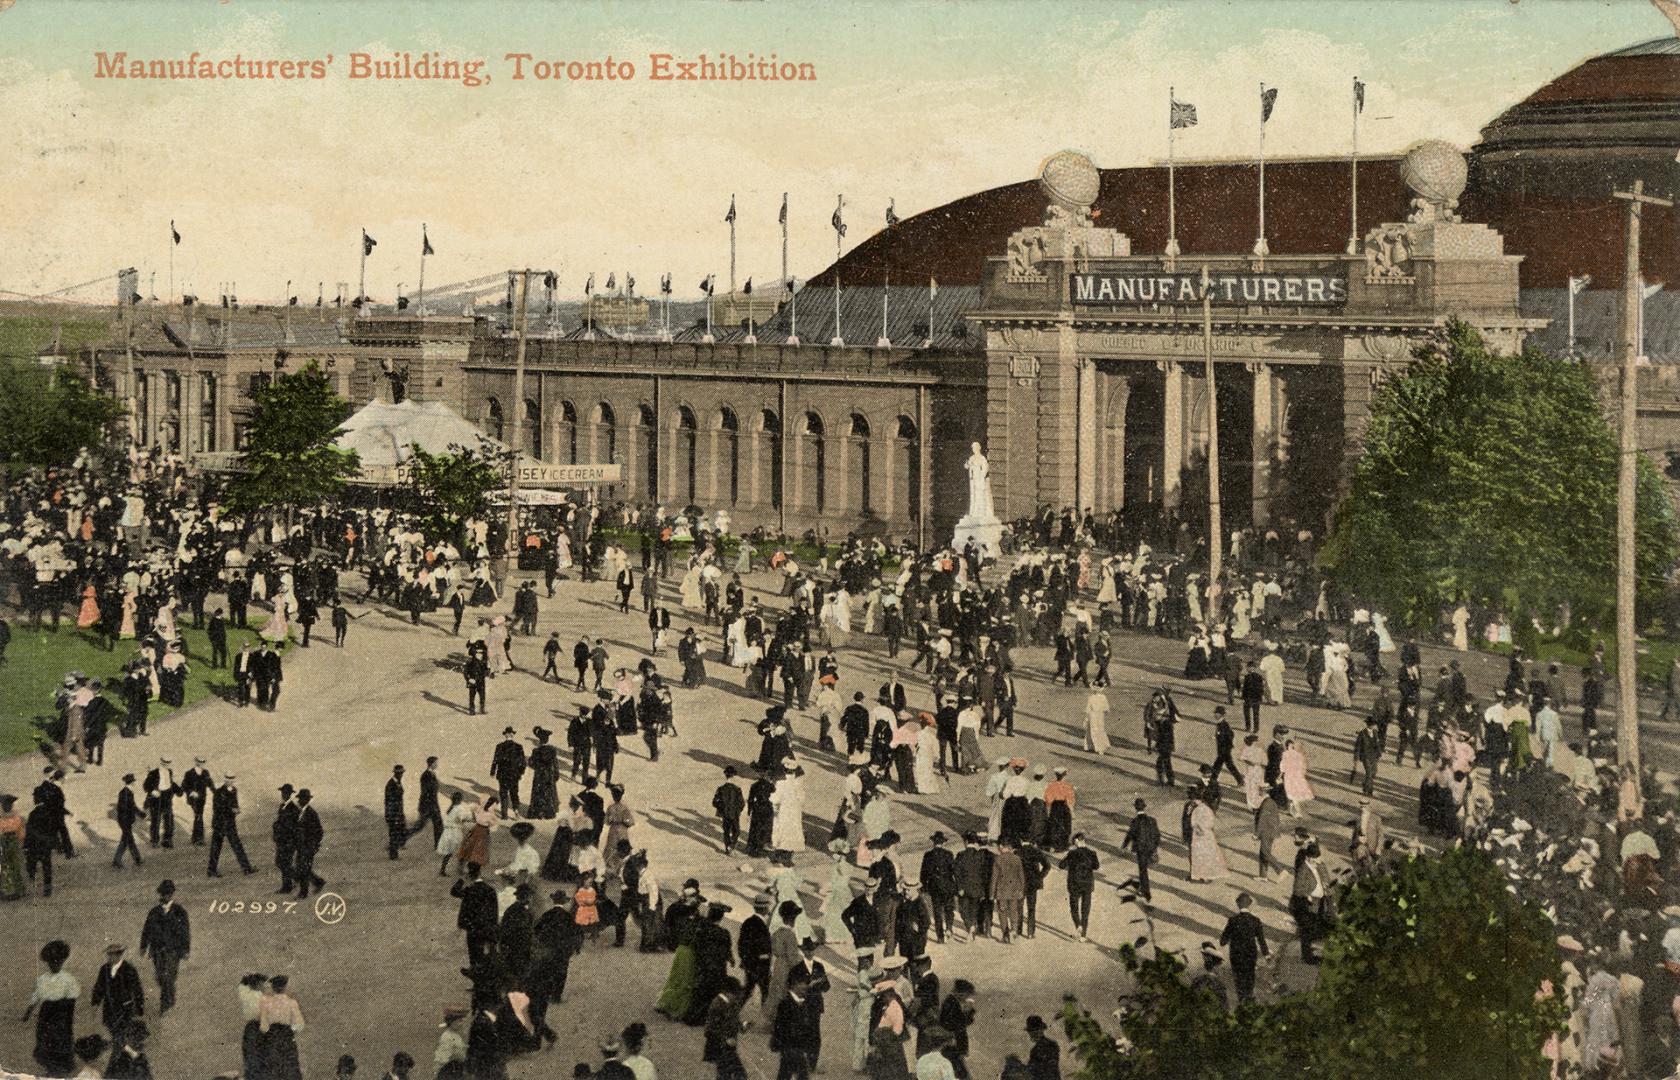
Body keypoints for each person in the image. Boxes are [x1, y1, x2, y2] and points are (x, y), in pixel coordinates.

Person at [24, 939, 79, 1077]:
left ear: (62, 961)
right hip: (46, 1012)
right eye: (51, 962)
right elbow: (36, 996)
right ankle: (50, 1068)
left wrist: (66, 1017)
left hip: (62, 1012)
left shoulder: (68, 979)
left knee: (60, 1039)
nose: (54, 965)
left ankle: (60, 1069)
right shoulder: (42, 979)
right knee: (44, 1040)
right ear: (48, 963)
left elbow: (72, 1000)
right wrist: (29, 1011)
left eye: (57, 962)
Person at [138, 879, 190, 1013]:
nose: (165, 897)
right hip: (157, 950)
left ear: (172, 894)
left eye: (167, 894)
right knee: (160, 976)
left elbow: (185, 931)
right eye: (162, 894)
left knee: (169, 976)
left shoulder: (180, 911)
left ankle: (166, 1004)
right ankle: (169, 999)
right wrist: (143, 946)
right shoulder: (154, 912)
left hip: (173, 950)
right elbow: (147, 929)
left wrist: (185, 949)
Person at [1219, 892, 1269, 1003]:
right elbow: (1261, 940)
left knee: (1239, 979)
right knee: (1250, 976)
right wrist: (1266, 954)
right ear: (1249, 905)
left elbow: (1223, 941)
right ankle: (1249, 998)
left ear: (1238, 904)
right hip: (1251, 953)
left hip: (1236, 954)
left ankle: (1241, 999)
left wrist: (1226, 940)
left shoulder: (1233, 920)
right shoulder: (1256, 920)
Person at [90, 944, 143, 1042]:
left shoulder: (129, 969)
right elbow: (99, 987)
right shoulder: (104, 969)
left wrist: (139, 1009)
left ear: (119, 955)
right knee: (114, 1034)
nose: (109, 957)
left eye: (111, 955)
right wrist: (95, 1003)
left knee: (121, 1036)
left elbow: (137, 989)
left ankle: (119, 1052)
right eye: (108, 954)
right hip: (109, 1009)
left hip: (125, 1009)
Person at [1121, 799, 1159, 903]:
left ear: (1135, 808)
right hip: (1150, 847)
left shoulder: (1135, 821)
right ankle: (1143, 888)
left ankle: (1146, 891)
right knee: (1144, 869)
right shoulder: (1152, 820)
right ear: (1144, 807)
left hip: (1141, 849)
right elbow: (1157, 835)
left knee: (1143, 870)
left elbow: (1130, 835)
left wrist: (1124, 845)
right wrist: (1154, 847)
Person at [293, 789, 325, 899]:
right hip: (302, 846)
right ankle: (318, 881)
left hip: (308, 846)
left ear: (306, 800)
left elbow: (319, 831)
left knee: (303, 868)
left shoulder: (311, 813)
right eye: (299, 799)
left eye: (301, 799)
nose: (299, 801)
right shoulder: (301, 812)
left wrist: (314, 845)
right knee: (302, 867)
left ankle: (303, 893)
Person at [384, 765, 409, 860]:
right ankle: (393, 855)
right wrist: (392, 815)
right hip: (393, 813)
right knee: (394, 833)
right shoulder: (391, 784)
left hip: (398, 812)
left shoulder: (397, 782)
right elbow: (389, 801)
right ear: (395, 773)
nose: (401, 775)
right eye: (400, 773)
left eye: (402, 773)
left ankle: (396, 846)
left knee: (400, 830)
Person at [1023, 1014, 1060, 1080]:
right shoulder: (1052, 1044)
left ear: (1042, 1030)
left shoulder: (1049, 1046)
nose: (1033, 1034)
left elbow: (1045, 1068)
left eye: (1036, 1031)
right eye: (1031, 1032)